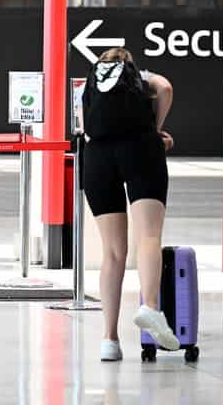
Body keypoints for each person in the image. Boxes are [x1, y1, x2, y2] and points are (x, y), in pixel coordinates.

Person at [82, 47, 179, 362]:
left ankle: (109, 340)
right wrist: (153, 129)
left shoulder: (90, 82)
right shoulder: (141, 76)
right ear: (128, 64)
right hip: (140, 150)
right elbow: (165, 88)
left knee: (113, 252)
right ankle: (150, 306)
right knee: (148, 236)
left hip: (97, 157)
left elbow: (86, 126)